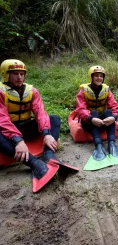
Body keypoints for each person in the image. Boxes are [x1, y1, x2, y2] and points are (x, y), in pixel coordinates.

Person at [0, 59, 77, 193]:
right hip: (8, 132)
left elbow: (40, 113)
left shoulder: (32, 91)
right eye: (15, 74)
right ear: (6, 75)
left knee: (53, 118)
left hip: (26, 126)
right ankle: (34, 163)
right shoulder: (1, 92)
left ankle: (49, 155)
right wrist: (17, 141)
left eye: (22, 74)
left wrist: (46, 133)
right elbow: (3, 119)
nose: (19, 77)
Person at [76, 65, 118, 160]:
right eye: (96, 75)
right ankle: (98, 145)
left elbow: (114, 106)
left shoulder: (106, 90)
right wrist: (91, 119)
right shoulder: (83, 91)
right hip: (89, 122)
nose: (99, 78)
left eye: (101, 76)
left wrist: (114, 117)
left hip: (102, 123)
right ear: (91, 77)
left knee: (108, 112)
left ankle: (112, 144)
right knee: (93, 112)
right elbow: (80, 109)